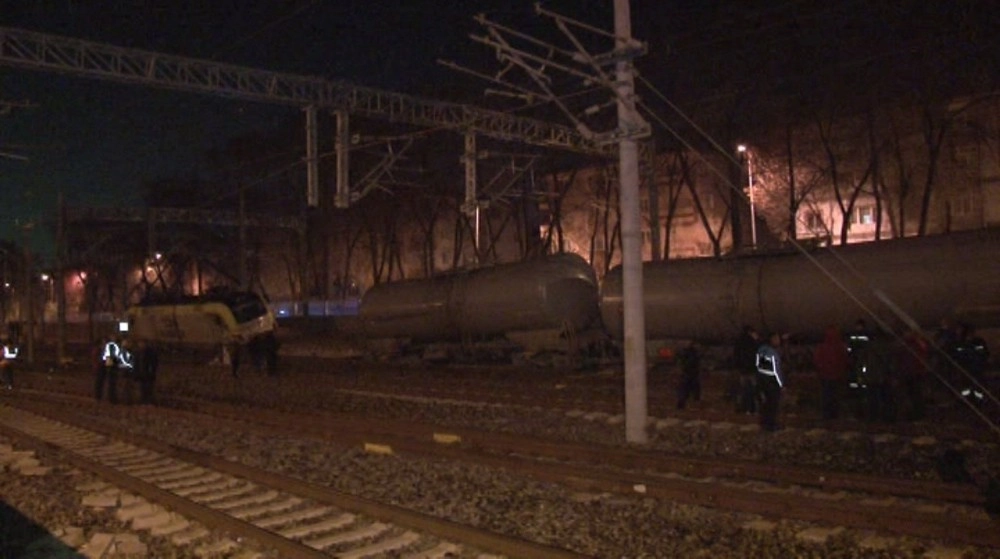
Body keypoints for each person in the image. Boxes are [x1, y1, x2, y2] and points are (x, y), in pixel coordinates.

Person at [857, 329, 895, 422]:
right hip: (884, 376)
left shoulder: (868, 347)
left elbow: (861, 362)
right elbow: (892, 363)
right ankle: (887, 417)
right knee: (886, 398)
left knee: (872, 398)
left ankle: (873, 417)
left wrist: (861, 375)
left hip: (871, 376)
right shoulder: (888, 347)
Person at [813, 326, 849, 420]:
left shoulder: (822, 347)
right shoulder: (841, 346)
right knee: (835, 396)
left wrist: (821, 370)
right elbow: (845, 360)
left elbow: (817, 360)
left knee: (826, 396)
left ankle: (826, 414)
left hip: (825, 376)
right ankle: (834, 414)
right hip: (837, 376)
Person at [896, 330, 931, 421]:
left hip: (912, 373)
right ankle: (917, 412)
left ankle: (916, 413)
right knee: (915, 394)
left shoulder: (910, 345)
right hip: (914, 373)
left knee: (914, 394)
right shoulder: (915, 345)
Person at [755, 332, 785, 431]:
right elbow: (776, 370)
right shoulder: (773, 353)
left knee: (765, 404)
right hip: (772, 381)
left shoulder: (761, 350)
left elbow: (758, 365)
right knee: (773, 405)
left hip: (762, 379)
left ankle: (765, 424)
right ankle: (772, 425)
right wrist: (781, 384)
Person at [954, 324, 989, 404]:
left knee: (978, 386)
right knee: (966, 386)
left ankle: (979, 400)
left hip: (977, 367)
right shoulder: (961, 343)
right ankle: (965, 400)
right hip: (965, 368)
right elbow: (956, 355)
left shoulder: (978, 342)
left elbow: (985, 353)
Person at [733, 325, 760, 414]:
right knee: (753, 390)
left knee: (743, 390)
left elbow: (736, 355)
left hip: (742, 370)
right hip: (751, 369)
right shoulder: (752, 343)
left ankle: (741, 408)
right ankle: (752, 408)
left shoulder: (739, 342)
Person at [676, 341, 702, 409]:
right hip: (691, 373)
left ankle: (683, 402)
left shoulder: (685, 353)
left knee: (685, 388)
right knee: (691, 388)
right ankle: (692, 401)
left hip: (688, 373)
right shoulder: (693, 354)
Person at [100, 336, 123, 404]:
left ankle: (112, 397)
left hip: (113, 367)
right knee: (112, 384)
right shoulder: (111, 349)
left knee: (113, 384)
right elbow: (109, 359)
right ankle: (112, 398)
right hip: (112, 368)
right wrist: (109, 367)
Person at [135, 340, 159, 405]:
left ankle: (148, 400)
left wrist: (151, 371)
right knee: (143, 387)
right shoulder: (139, 352)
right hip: (142, 373)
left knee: (148, 388)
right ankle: (144, 400)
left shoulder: (149, 353)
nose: (140, 345)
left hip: (147, 373)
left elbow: (153, 363)